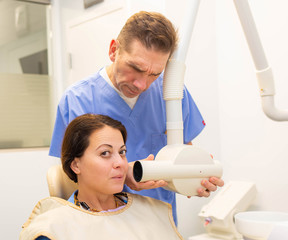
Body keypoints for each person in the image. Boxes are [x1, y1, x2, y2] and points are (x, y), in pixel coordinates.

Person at [49, 11, 224, 225]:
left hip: (159, 223)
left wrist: (193, 177)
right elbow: (73, 174)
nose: (142, 84)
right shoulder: (76, 100)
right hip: (102, 223)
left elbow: (183, 153)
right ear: (114, 50)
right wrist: (124, 175)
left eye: (154, 74)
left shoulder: (172, 93)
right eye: (135, 68)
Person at [20, 114, 183, 240]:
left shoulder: (151, 211)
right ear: (76, 165)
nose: (120, 163)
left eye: (122, 152)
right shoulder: (53, 229)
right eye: (105, 153)